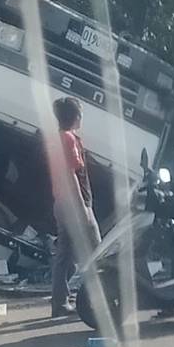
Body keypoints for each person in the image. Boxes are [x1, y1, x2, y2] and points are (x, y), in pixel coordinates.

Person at [50, 97, 102, 318]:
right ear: (75, 117)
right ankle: (99, 300)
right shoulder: (68, 140)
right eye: (80, 114)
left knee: (65, 255)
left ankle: (60, 302)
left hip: (61, 203)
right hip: (74, 204)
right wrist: (83, 209)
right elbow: (72, 175)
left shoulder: (59, 139)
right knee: (98, 250)